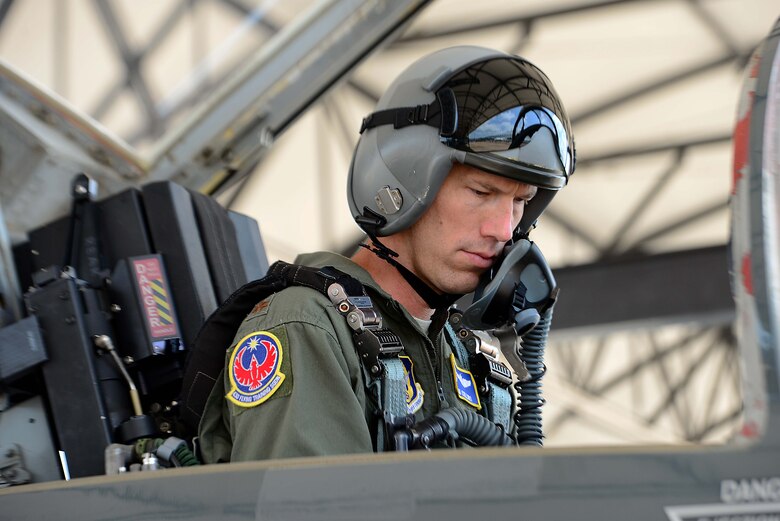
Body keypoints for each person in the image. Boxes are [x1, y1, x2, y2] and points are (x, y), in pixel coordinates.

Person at [197, 45, 575, 462]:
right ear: (407, 176)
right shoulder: (308, 328)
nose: (504, 230)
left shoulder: (475, 359)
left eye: (521, 202)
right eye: (481, 192)